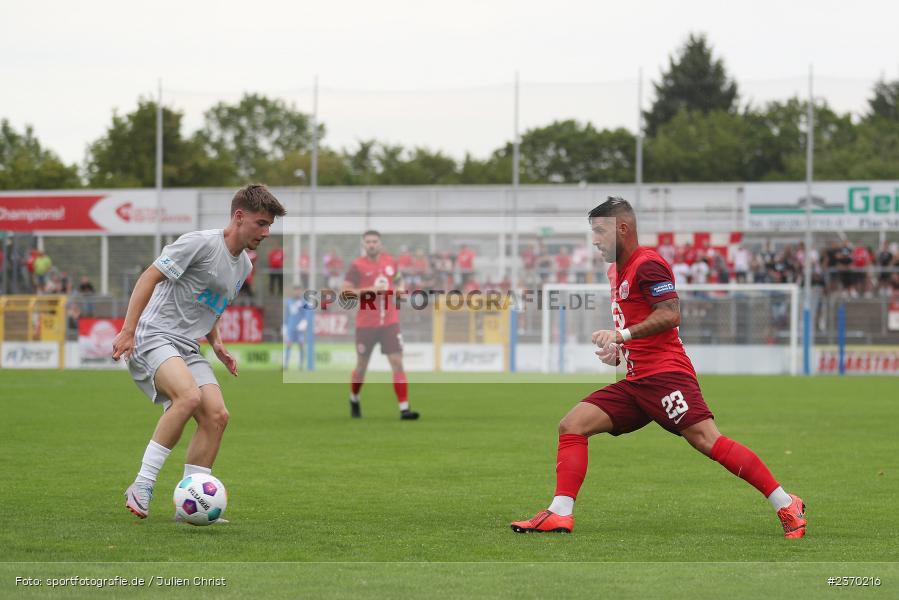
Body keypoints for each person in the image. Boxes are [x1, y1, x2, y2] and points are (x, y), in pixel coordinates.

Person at [510, 197, 806, 538]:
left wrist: (621, 335)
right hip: (637, 381)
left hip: (666, 376)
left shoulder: (648, 264)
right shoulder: (615, 271)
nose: (595, 240)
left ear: (623, 229)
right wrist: (621, 351)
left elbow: (670, 314)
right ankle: (560, 513)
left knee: (709, 441)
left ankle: (786, 504)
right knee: (573, 425)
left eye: (600, 231)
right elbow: (639, 322)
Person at [112, 184, 286, 520]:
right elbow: (149, 277)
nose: (266, 232)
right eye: (261, 223)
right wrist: (128, 329)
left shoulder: (243, 267)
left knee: (217, 416)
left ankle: (191, 502)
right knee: (189, 397)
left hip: (188, 346)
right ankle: (142, 484)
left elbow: (210, 304)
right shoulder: (199, 243)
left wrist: (217, 343)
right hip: (154, 336)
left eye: (269, 226)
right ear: (239, 216)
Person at [341, 230, 419, 421]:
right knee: (361, 366)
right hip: (366, 324)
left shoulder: (391, 262)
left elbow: (399, 280)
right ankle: (354, 398)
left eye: (375, 241)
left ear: (380, 244)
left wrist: (400, 290)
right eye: (368, 242)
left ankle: (404, 409)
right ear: (363, 245)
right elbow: (345, 292)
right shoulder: (357, 266)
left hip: (390, 323)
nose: (372, 244)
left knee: (397, 362)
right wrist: (371, 290)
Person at [284, 285, 312, 369]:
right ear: (293, 291)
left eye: (299, 290)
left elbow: (306, 315)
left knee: (301, 345)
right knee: (288, 345)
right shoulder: (289, 302)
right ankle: (286, 365)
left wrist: (304, 323)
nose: (297, 292)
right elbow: (286, 314)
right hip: (291, 328)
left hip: (300, 329)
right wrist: (285, 326)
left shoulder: (304, 302)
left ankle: (301, 365)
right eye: (296, 290)